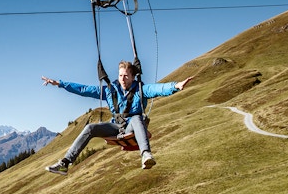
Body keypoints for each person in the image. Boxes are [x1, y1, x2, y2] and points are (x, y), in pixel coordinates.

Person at [42, 60, 193, 174]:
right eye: (120, 75)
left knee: (137, 118)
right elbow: (84, 89)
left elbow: (157, 88)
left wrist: (175, 86)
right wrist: (60, 84)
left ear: (133, 77)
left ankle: (146, 155)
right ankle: (65, 163)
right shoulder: (110, 90)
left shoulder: (141, 89)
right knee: (90, 128)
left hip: (131, 126)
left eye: (126, 76)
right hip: (115, 126)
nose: (122, 79)